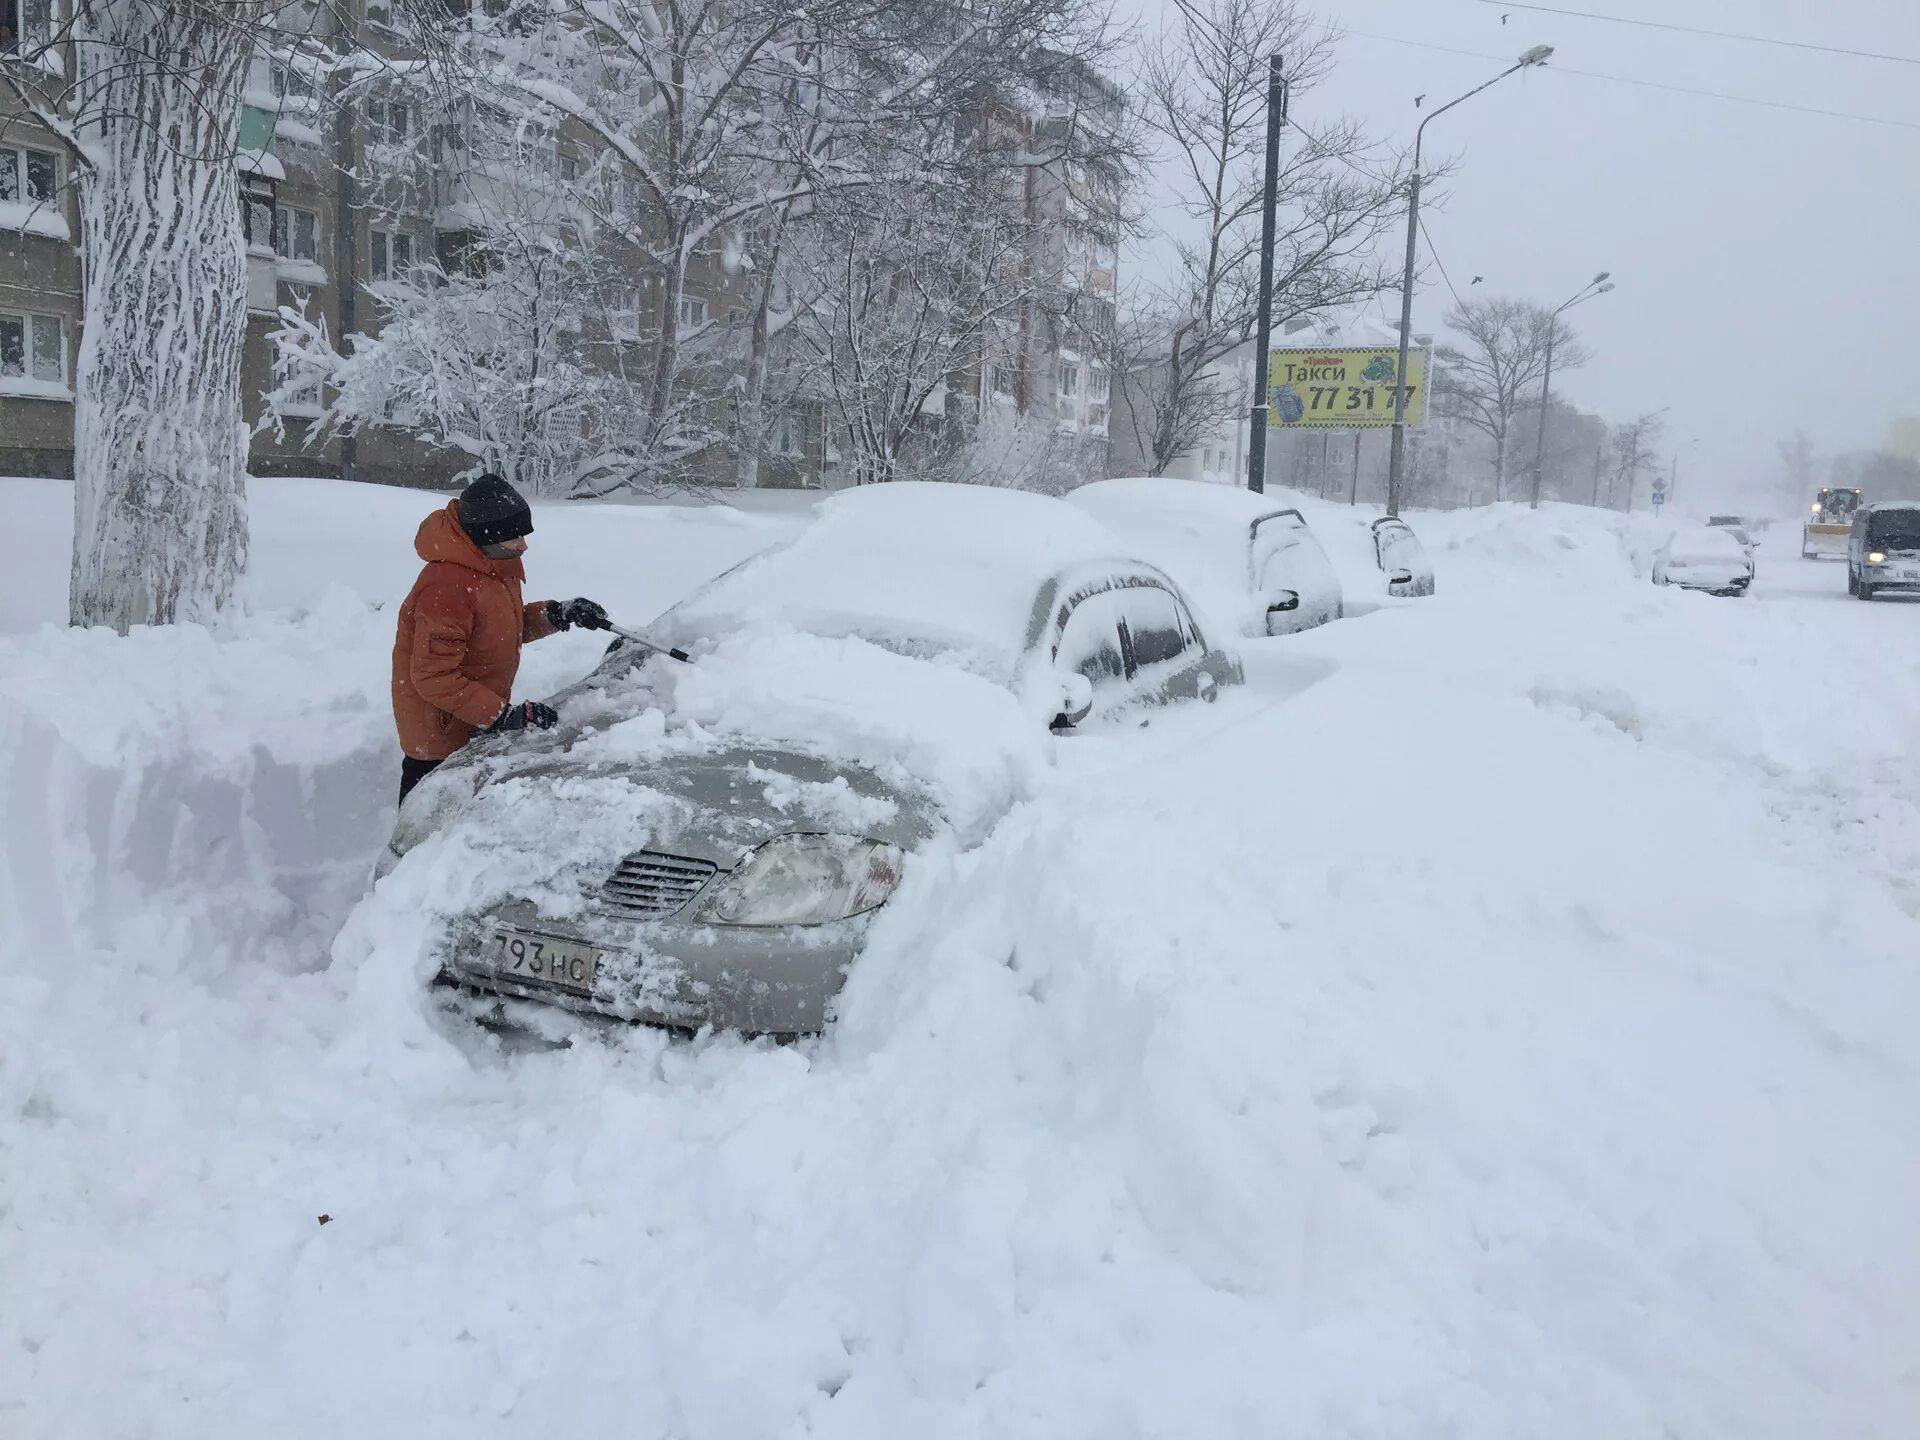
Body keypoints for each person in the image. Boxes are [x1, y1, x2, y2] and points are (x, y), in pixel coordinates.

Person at [391, 474, 608, 804]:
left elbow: (500, 629)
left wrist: (558, 613)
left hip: (472, 715)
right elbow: (433, 677)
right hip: (439, 731)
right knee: (427, 822)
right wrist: (503, 716)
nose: (522, 544)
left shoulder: (491, 565)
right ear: (484, 534)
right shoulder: (446, 588)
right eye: (513, 536)